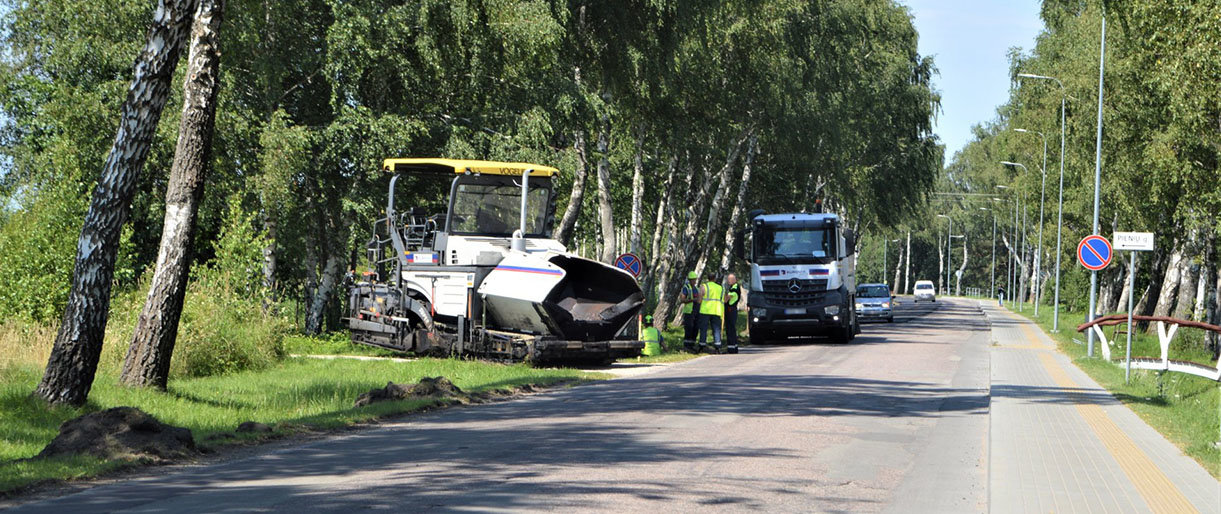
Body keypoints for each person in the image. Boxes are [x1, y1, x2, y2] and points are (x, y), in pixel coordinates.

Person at [698, 275, 725, 353]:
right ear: (715, 279)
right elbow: (724, 299)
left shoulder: (704, 286)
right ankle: (718, 346)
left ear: (708, 278)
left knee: (703, 329)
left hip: (705, 311)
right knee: (716, 329)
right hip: (717, 311)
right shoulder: (720, 288)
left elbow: (699, 300)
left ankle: (702, 346)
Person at [679, 271, 701, 351]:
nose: (694, 281)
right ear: (690, 280)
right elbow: (682, 299)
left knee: (695, 328)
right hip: (689, 311)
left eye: (695, 280)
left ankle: (692, 344)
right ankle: (687, 346)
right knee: (689, 328)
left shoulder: (696, 289)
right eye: (693, 280)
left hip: (696, 311)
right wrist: (692, 300)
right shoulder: (686, 288)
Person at [724, 273, 741, 354]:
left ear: (734, 280)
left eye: (730, 279)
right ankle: (733, 347)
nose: (728, 281)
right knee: (731, 329)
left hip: (731, 310)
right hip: (731, 310)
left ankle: (732, 348)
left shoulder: (735, 288)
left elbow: (726, 300)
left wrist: (723, 293)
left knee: (730, 329)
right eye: (728, 279)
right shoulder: (733, 287)